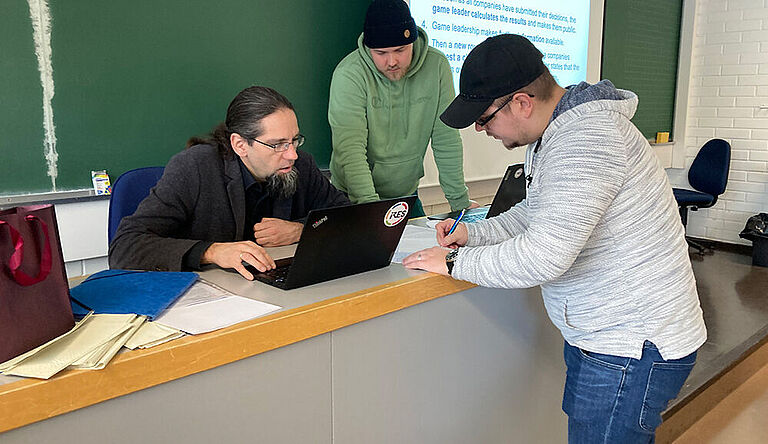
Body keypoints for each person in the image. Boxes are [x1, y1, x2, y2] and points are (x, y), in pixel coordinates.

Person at [403, 34, 706, 443]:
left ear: (522, 102)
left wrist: (454, 263)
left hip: (631, 345)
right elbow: (538, 213)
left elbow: (545, 255)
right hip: (608, 337)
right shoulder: (557, 133)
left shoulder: (585, 139)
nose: (480, 128)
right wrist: (473, 234)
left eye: (485, 117)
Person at [109, 86, 350, 280]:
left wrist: (301, 230)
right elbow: (125, 246)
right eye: (277, 144)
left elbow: (349, 217)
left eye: (295, 141)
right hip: (205, 301)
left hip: (277, 291)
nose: (292, 154)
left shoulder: (301, 165)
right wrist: (211, 251)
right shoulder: (194, 168)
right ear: (240, 145)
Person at [327, 0, 477, 217]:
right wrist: (372, 209)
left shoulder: (437, 65)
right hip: (353, 198)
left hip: (406, 195)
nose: (392, 61)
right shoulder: (349, 74)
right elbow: (350, 149)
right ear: (368, 48)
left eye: (400, 50)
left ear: (413, 41)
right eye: (381, 53)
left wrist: (460, 203)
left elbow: (446, 138)